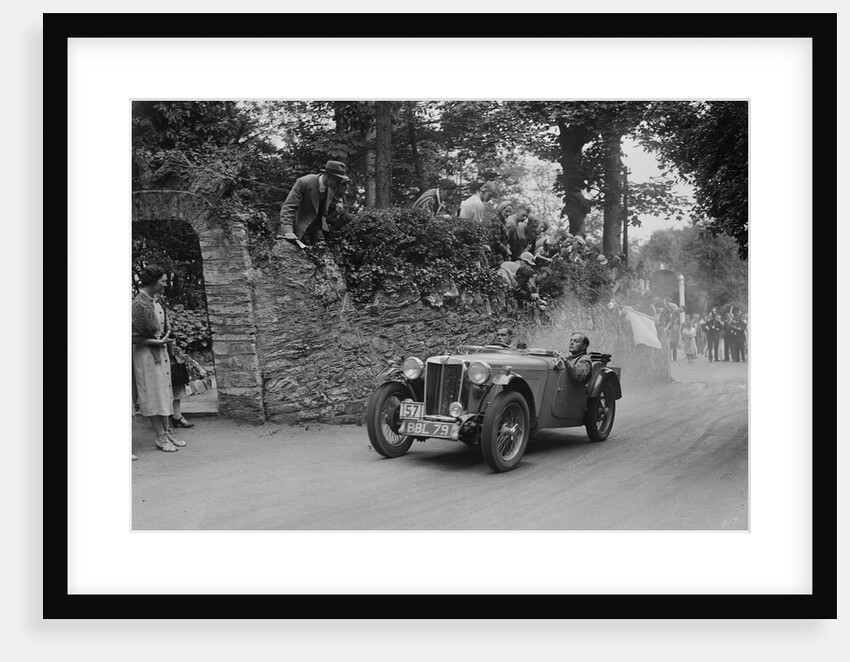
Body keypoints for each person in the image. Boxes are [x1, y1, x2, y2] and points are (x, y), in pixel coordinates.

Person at [132, 265, 187, 454]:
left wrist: (165, 339)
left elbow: (161, 327)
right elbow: (132, 335)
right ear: (153, 281)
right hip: (147, 355)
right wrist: (155, 340)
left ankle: (167, 431)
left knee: (164, 393)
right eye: (162, 281)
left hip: (160, 351)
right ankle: (160, 437)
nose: (165, 284)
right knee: (153, 395)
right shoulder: (139, 304)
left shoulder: (154, 301)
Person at [277, 160, 350, 244]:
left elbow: (322, 214)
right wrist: (288, 231)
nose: (338, 184)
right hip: (298, 231)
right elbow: (288, 208)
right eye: (337, 181)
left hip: (317, 234)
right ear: (328, 176)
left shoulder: (330, 189)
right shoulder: (304, 182)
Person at [488, 200, 514, 268]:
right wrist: (506, 252)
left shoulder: (503, 221)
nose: (508, 214)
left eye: (510, 212)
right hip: (495, 256)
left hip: (501, 255)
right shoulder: (495, 220)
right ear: (501, 209)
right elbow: (495, 241)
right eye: (506, 211)